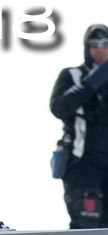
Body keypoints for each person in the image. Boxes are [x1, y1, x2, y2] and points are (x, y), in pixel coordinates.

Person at [50, 24, 108, 228]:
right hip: (82, 165)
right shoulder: (72, 76)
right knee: (87, 226)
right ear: (87, 47)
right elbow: (59, 108)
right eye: (94, 44)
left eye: (105, 44)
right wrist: (94, 80)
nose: (100, 49)